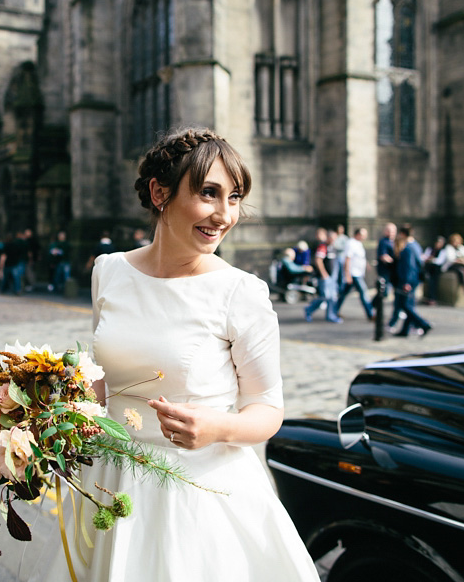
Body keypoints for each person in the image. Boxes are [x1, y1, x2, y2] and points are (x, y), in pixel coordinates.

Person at [33, 128, 320, 582]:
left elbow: (267, 408)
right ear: (159, 192)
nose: (225, 214)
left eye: (234, 197)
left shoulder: (241, 293)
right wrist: (53, 418)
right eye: (209, 193)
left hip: (199, 490)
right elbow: (104, 379)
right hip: (110, 478)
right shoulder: (109, 271)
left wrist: (217, 427)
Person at [392, 224, 431, 337]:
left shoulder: (408, 248)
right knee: (408, 305)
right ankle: (405, 330)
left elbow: (409, 266)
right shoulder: (416, 246)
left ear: (403, 234)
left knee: (405, 306)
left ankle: (423, 324)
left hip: (408, 280)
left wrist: (406, 282)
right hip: (413, 280)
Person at [335, 227, 375, 320]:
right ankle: (370, 313)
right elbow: (347, 259)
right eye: (363, 235)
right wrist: (348, 274)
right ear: (358, 234)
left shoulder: (358, 243)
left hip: (358, 273)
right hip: (354, 274)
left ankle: (334, 310)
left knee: (344, 293)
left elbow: (360, 257)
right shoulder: (351, 243)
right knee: (363, 292)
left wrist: (366, 265)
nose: (365, 237)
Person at [304, 228, 343, 323]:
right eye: (332, 238)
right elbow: (318, 260)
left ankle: (330, 315)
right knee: (325, 297)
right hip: (325, 277)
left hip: (332, 277)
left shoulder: (333, 248)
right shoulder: (323, 246)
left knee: (331, 297)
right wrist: (324, 274)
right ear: (328, 238)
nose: (334, 240)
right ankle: (309, 309)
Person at [422, 235, 445, 305]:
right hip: (428, 268)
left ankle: (432, 298)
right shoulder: (430, 249)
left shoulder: (442, 251)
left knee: (433, 283)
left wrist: (431, 259)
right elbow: (424, 257)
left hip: (436, 270)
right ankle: (427, 297)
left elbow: (439, 261)